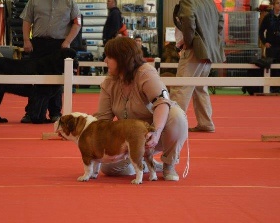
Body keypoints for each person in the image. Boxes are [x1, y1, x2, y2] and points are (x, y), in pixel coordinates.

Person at [94, 37, 188, 181]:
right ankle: (145, 163)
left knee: (177, 116)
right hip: (129, 139)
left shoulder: (146, 73)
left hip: (155, 135)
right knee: (109, 168)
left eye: (109, 57)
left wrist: (156, 132)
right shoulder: (108, 83)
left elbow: (162, 103)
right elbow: (102, 121)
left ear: (122, 58)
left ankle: (169, 164)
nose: (105, 60)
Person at [19, 0, 81, 123]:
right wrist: (26, 40)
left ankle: (55, 113)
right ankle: (31, 112)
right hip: (38, 44)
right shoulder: (34, 1)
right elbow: (26, 20)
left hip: (59, 45)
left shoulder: (70, 3)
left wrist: (68, 41)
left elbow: (77, 23)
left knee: (57, 82)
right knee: (35, 80)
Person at [169, 0, 225, 133]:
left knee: (181, 87)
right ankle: (206, 123)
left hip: (195, 49)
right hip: (208, 50)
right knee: (200, 88)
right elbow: (221, 20)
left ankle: (174, 125)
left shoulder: (188, 1)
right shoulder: (209, 2)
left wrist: (189, 42)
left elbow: (188, 18)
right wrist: (213, 40)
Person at [259, 0, 280, 93]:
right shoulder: (268, 17)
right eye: (278, 3)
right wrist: (264, 42)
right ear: (273, 5)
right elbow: (261, 31)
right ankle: (272, 87)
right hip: (271, 46)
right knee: (270, 66)